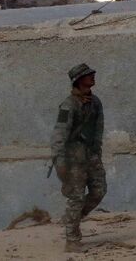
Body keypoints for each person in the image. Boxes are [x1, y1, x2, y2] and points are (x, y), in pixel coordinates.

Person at [50, 63, 107, 253]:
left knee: (99, 191)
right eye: (88, 75)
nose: (93, 77)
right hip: (73, 157)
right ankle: (72, 239)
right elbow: (59, 133)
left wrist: (97, 152)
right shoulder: (68, 104)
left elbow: (98, 129)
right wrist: (59, 160)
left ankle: (71, 219)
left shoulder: (95, 102)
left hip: (91, 155)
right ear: (79, 80)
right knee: (76, 197)